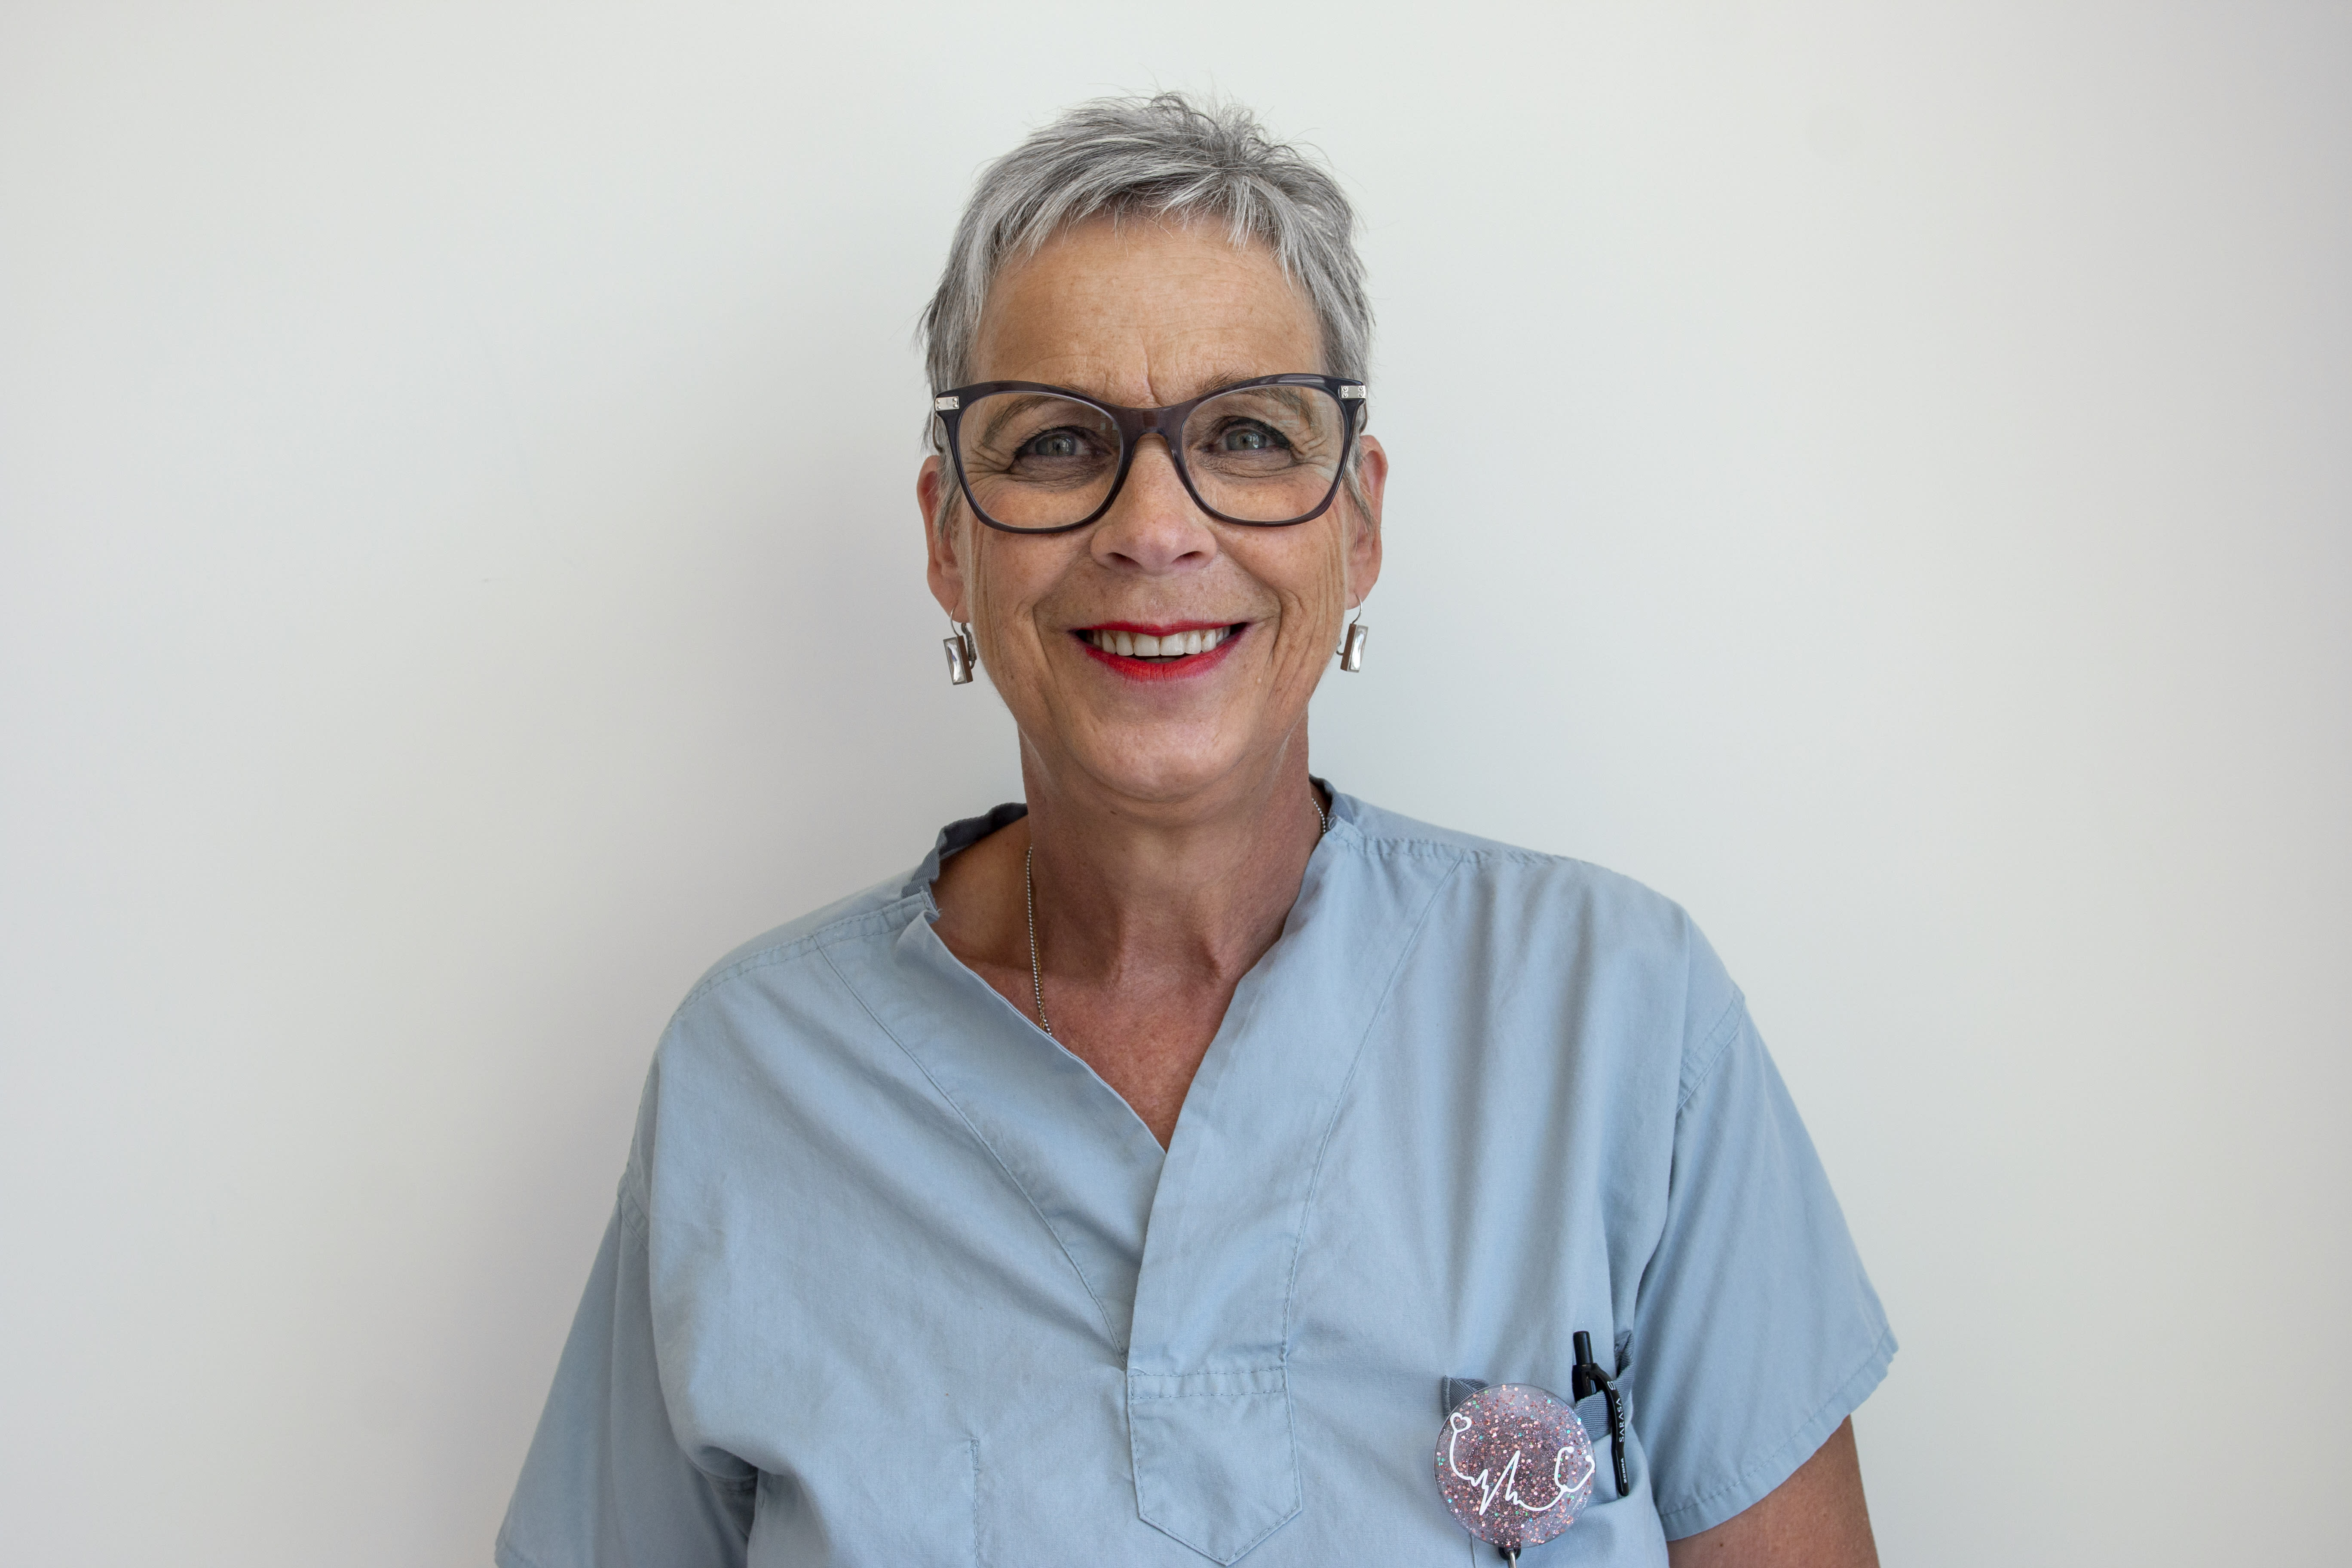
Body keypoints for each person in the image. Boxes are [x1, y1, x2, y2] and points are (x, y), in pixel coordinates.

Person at [497, 92, 1893, 1568]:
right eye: (1053, 444)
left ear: (1356, 524)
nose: (1155, 529)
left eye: (1243, 433)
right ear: (947, 538)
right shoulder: (754, 1082)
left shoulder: (1622, 1020)